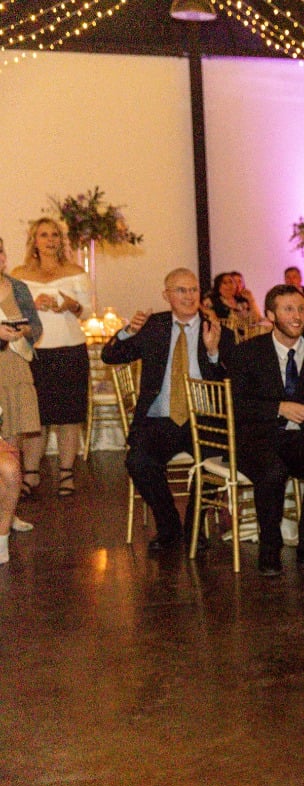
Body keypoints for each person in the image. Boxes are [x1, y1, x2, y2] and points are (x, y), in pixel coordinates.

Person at [101, 269, 235, 551]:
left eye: (193, 290)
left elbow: (233, 381)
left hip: (205, 418)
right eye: (181, 290)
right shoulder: (153, 326)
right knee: (138, 461)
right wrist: (128, 332)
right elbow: (110, 356)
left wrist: (213, 353)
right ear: (167, 295)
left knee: (215, 460)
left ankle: (196, 526)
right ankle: (169, 526)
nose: (189, 296)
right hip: (158, 418)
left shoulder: (219, 330)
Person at [227, 284, 304, 576]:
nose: (297, 316)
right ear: (270, 315)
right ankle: (270, 550)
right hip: (256, 437)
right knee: (273, 472)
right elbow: (237, 404)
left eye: (301, 309)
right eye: (288, 309)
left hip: (297, 437)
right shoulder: (249, 353)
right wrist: (278, 408)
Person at [11, 218, 91, 499]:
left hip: (70, 349)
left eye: (55, 234)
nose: (50, 240)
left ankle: (66, 472)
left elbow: (87, 312)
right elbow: (9, 311)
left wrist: (70, 304)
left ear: (61, 240)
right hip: (34, 351)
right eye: (43, 235)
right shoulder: (19, 274)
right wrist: (31, 305)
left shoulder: (75, 272)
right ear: (34, 240)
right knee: (36, 416)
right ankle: (30, 474)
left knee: (69, 415)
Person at [0, 235, 43, 504]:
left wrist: (25, 329)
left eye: (1, 251)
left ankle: (9, 512)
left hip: (15, 368)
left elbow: (36, 328)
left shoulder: (18, 287)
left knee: (12, 444)